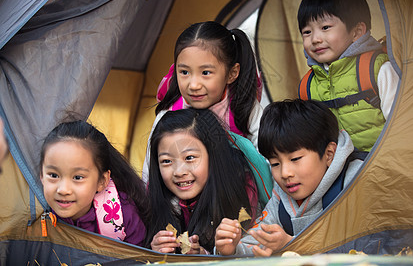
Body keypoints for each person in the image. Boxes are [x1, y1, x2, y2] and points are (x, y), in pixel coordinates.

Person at [215, 99, 365, 256]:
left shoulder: (357, 183)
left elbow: (370, 248)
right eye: (275, 164)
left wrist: (292, 245)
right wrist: (231, 247)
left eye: (295, 159)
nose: (285, 173)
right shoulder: (281, 200)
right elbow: (257, 240)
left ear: (329, 154)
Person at [142, 21, 263, 182]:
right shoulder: (169, 114)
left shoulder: (244, 108)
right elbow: (150, 171)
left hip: (236, 194)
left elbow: (266, 159)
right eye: (184, 72)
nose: (193, 85)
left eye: (205, 72)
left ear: (231, 73)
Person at [297, 0, 399, 152]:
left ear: (356, 32)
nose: (315, 39)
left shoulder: (375, 69)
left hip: (384, 165)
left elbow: (400, 126)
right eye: (307, 32)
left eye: (325, 27)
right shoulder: (307, 86)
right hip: (339, 170)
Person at [144, 108, 261, 254]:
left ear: (213, 155)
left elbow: (253, 253)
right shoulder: (153, 197)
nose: (179, 172)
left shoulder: (238, 190)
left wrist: (209, 254)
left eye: (190, 158)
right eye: (166, 161)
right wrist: (154, 251)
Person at [40, 120, 150, 246]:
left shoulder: (125, 216)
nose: (63, 190)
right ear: (41, 175)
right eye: (53, 175)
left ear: (102, 181)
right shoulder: (33, 213)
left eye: (77, 177)